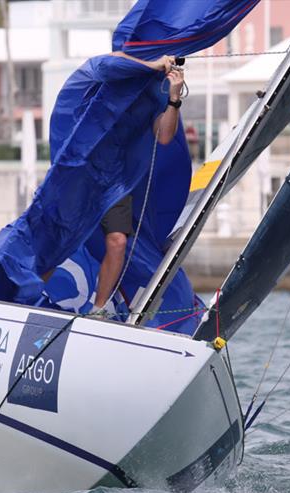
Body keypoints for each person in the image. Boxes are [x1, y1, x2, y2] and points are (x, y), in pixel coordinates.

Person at [90, 54, 185, 316]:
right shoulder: (108, 77)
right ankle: (22, 294)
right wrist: (153, 63)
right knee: (56, 236)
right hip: (80, 176)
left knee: (118, 241)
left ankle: (98, 310)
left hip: (115, 183)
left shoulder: (149, 103)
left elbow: (164, 136)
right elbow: (106, 62)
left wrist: (174, 98)